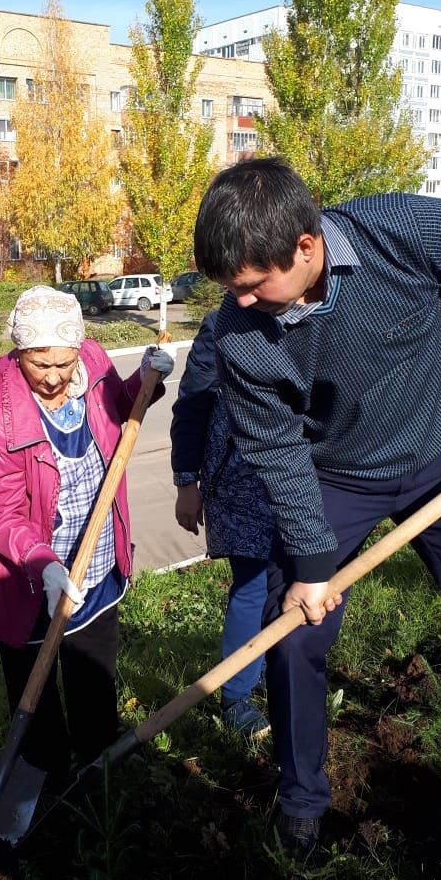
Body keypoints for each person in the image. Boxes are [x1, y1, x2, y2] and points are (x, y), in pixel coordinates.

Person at [193, 156, 441, 858]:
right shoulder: (239, 334)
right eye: (229, 288)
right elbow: (276, 451)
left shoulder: (399, 227)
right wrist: (309, 566)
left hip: (440, 454)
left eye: (251, 284)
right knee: (295, 634)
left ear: (306, 246)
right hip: (334, 478)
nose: (239, 301)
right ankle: (303, 802)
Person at [0, 285, 174, 780]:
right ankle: (45, 777)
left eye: (64, 361)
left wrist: (147, 378)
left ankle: (99, 766)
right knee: (34, 692)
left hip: (95, 561)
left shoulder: (93, 363)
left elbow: (119, 407)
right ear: (18, 351)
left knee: (93, 676)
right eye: (40, 363)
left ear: (80, 347)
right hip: (29, 580)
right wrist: (45, 565)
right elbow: (2, 513)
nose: (54, 377)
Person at [170, 309, 275, 739]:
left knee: (289, 580)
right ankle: (237, 695)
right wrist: (185, 482)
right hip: (239, 480)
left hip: (302, 474)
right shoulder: (222, 326)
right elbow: (193, 405)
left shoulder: (312, 313)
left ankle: (269, 664)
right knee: (252, 586)